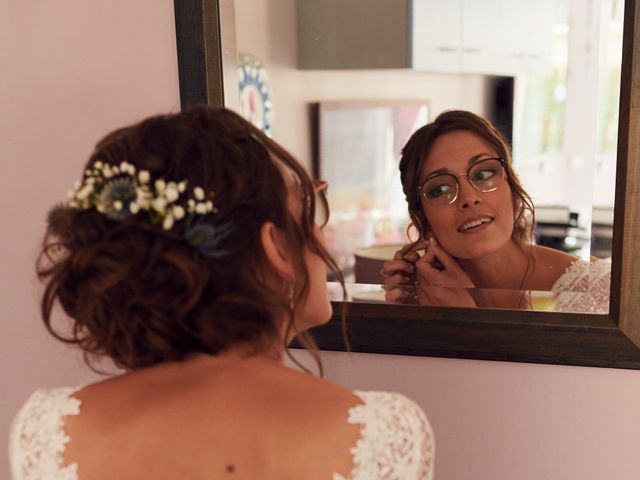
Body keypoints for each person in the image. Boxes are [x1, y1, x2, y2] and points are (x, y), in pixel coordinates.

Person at [9, 107, 434, 479]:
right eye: (312, 207)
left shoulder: (51, 430)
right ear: (275, 247)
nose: (322, 229)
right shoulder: (380, 431)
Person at [382, 110, 611, 313]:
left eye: (482, 174)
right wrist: (408, 316)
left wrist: (463, 321)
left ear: (513, 189)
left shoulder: (600, 291)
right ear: (422, 219)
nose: (469, 198)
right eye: (440, 188)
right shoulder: (427, 298)